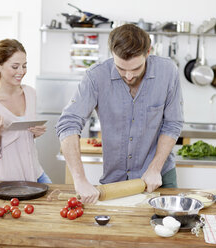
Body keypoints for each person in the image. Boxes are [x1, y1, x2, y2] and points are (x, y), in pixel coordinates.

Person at [56, 24, 183, 203]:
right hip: (115, 181)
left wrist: (155, 167)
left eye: (136, 69)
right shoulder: (96, 76)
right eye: (121, 69)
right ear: (112, 55)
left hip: (158, 176)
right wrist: (79, 179)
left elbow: (173, 123)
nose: (129, 76)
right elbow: (68, 123)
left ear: (148, 52)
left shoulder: (168, 72)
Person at [0, 39, 52, 183]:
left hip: (37, 175)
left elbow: (23, 137)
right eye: (15, 66)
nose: (21, 72)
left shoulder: (30, 93)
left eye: (24, 66)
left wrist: (36, 132)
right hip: (9, 182)